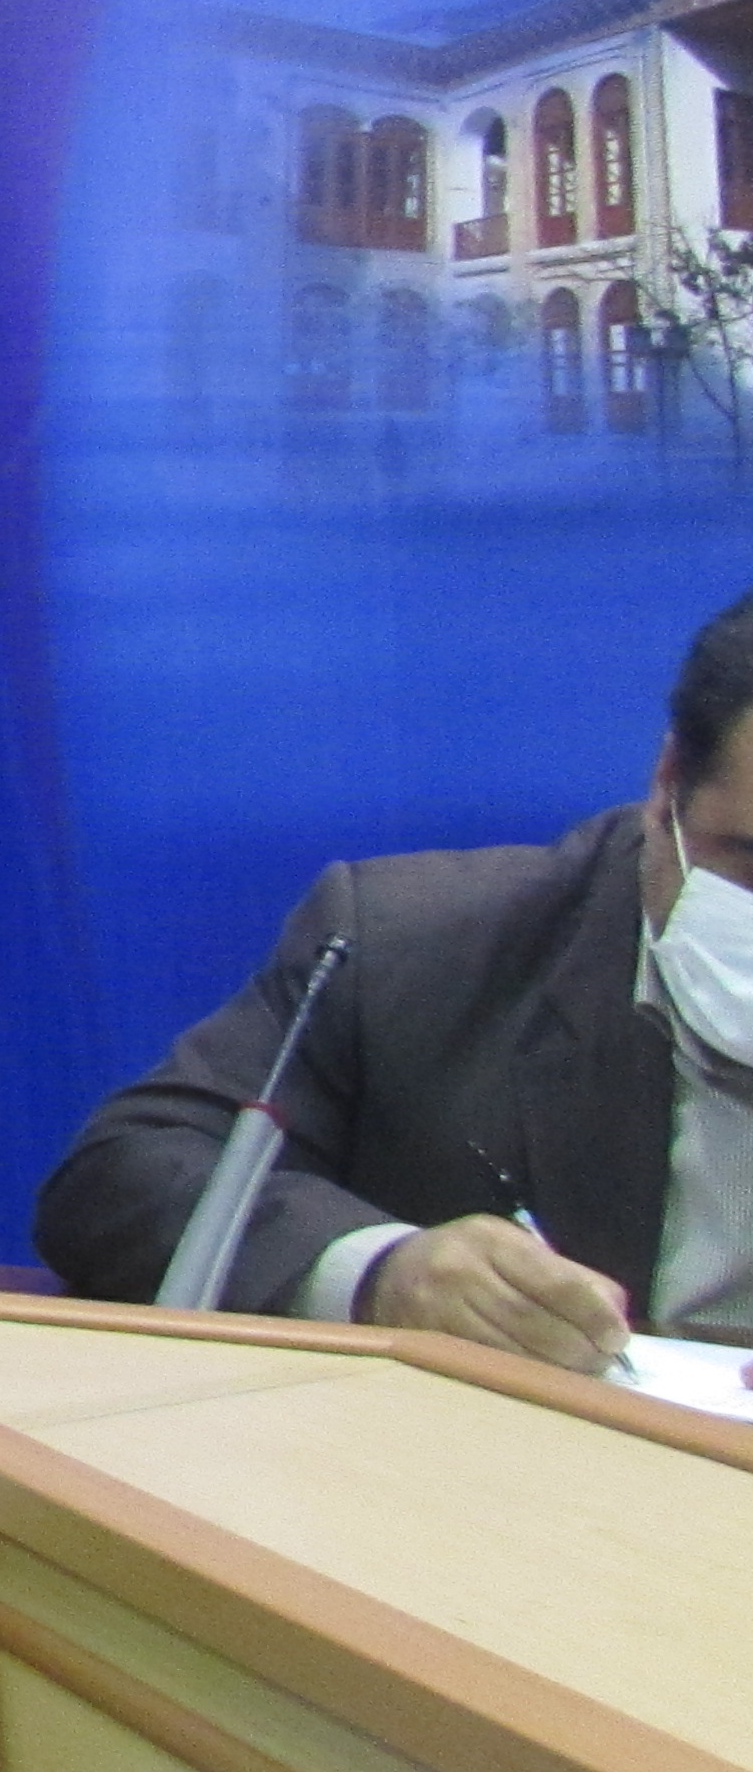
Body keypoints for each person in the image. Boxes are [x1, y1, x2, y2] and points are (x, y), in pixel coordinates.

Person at [37, 588, 753, 1372]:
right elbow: (127, 1177)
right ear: (667, 784)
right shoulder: (414, 948)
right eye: (750, 860)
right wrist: (382, 1273)